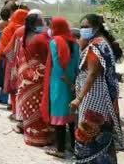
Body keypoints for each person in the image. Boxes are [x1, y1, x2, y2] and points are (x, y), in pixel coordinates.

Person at [71, 14, 124, 163]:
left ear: (96, 27)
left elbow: (93, 74)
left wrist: (79, 98)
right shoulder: (102, 43)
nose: (82, 30)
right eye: (81, 27)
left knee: (89, 133)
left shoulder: (95, 46)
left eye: (86, 27)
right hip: (100, 97)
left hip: (93, 98)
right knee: (100, 133)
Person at [42, 17, 79, 158]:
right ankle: (75, 147)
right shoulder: (75, 43)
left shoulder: (54, 42)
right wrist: (73, 83)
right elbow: (77, 66)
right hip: (73, 82)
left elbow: (57, 66)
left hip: (59, 82)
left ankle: (60, 149)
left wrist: (65, 81)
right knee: (71, 116)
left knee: (59, 116)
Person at [15, 13, 53, 146]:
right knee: (39, 106)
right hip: (38, 77)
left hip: (25, 75)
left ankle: (30, 135)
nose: (44, 25)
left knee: (29, 106)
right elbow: (48, 56)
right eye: (42, 22)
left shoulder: (24, 37)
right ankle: (42, 137)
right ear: (37, 24)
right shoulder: (40, 39)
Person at [0, 8, 29, 121]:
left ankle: (15, 112)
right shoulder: (29, 30)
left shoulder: (9, 29)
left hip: (12, 64)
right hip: (26, 64)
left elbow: (4, 50)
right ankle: (23, 113)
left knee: (13, 89)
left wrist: (12, 61)